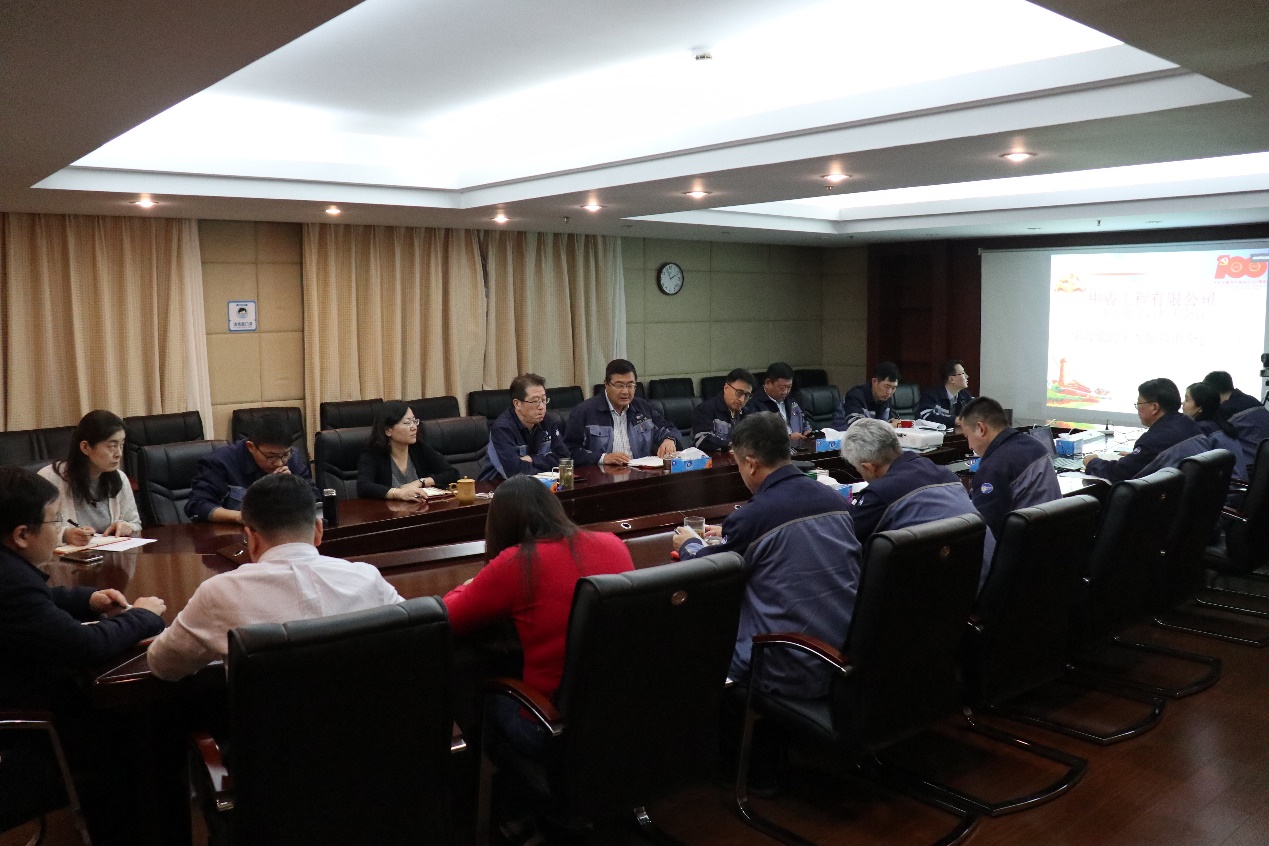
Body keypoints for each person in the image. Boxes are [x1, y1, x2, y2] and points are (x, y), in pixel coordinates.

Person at [0, 467, 166, 846]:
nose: (59, 529)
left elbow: (40, 600)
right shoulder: (10, 582)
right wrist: (142, 615)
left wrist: (88, 599)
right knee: (137, 720)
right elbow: (85, 645)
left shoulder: (9, 571)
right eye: (53, 521)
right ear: (22, 535)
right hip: (32, 720)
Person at [674, 412, 861, 697]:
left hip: (787, 665)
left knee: (687, 640)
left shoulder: (753, 517)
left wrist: (689, 544)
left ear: (750, 464)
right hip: (845, 657)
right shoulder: (834, 499)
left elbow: (709, 575)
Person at [148, 474, 403, 681]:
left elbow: (163, 665)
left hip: (270, 732)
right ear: (318, 530)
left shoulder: (218, 593)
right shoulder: (367, 578)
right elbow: (413, 638)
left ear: (251, 538)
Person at [443, 475, 634, 750]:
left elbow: (447, 617)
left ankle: (480, 775)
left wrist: (470, 585)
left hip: (549, 724)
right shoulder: (613, 543)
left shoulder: (518, 561)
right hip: (618, 711)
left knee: (474, 692)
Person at [842, 418, 994, 586]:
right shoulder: (944, 473)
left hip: (953, 590)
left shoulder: (880, 494)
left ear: (869, 467)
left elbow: (845, 544)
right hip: (988, 581)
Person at [959, 397, 1061, 542]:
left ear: (981, 429)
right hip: (1050, 539)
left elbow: (984, 529)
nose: (970, 446)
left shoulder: (994, 467)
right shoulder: (1036, 445)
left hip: (1022, 548)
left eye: (967, 436)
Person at [38, 409, 142, 546]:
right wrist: (65, 535)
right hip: (67, 558)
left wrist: (127, 527)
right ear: (86, 447)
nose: (119, 454)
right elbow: (34, 532)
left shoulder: (120, 478)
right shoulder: (49, 479)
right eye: (112, 446)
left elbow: (135, 523)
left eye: (121, 445)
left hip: (111, 557)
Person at [186, 412, 314, 522]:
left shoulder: (292, 458)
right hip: (233, 536)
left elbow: (314, 497)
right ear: (251, 447)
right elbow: (197, 506)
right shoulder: (220, 462)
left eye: (285, 455)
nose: (280, 463)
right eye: (271, 457)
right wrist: (241, 517)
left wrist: (293, 488)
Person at [563, 359, 681, 466]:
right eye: (619, 385)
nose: (625, 391)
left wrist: (669, 439)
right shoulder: (584, 411)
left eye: (630, 385)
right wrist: (603, 458)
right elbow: (569, 451)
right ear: (606, 385)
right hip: (602, 477)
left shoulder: (642, 407)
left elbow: (669, 428)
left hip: (641, 474)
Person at [1083, 378, 1201, 482]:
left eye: (1139, 403)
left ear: (1154, 407)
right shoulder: (1189, 424)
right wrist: (1137, 458)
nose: (1138, 408)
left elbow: (1119, 473)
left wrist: (1092, 462)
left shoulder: (1154, 440)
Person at [357, 401, 459, 499]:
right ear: (388, 430)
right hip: (389, 510)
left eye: (414, 421)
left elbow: (452, 473)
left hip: (421, 507)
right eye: (407, 423)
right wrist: (398, 493)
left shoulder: (419, 448)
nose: (414, 427)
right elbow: (363, 487)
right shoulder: (372, 453)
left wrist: (420, 482)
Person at [478, 373, 570, 481]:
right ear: (517, 404)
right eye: (535, 401)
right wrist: (546, 463)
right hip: (497, 486)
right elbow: (514, 472)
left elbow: (564, 459)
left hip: (539, 484)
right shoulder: (502, 428)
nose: (541, 407)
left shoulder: (548, 421)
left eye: (543, 400)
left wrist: (532, 459)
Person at [692, 367, 756, 451]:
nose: (742, 399)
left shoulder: (748, 412)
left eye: (747, 395)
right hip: (712, 458)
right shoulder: (706, 409)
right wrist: (731, 445)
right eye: (739, 393)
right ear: (726, 388)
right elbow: (702, 440)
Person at [747, 361, 811, 440]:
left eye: (789, 387)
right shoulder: (753, 404)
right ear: (767, 383)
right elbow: (757, 437)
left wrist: (807, 430)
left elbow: (803, 420)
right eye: (782, 388)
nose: (785, 392)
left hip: (800, 445)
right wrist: (788, 439)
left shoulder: (792, 398)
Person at [831, 361, 901, 430]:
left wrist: (894, 421)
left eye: (893, 388)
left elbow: (889, 420)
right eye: (887, 387)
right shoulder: (855, 396)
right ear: (874, 382)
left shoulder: (885, 398)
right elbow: (858, 427)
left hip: (871, 436)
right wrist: (889, 426)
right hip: (843, 435)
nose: (889, 392)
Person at [917, 359, 975, 429]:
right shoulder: (930, 395)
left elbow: (976, 412)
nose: (967, 376)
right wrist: (956, 420)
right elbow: (927, 416)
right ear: (951, 379)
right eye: (963, 373)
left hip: (954, 433)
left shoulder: (965, 395)